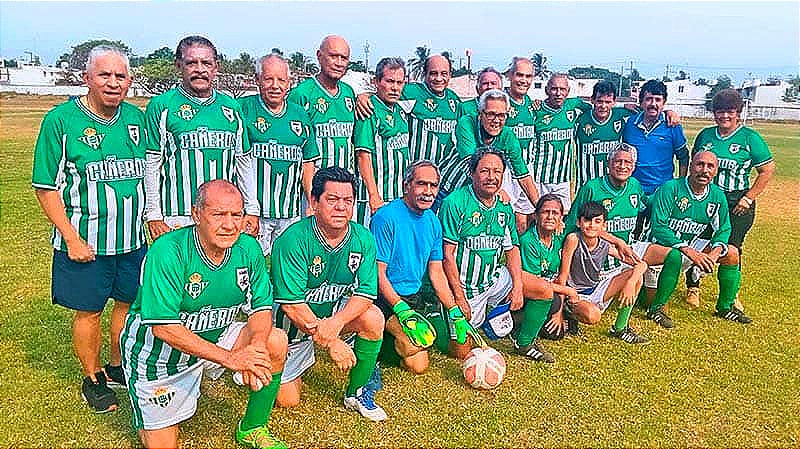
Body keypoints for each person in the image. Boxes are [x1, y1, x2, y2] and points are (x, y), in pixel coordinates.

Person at [121, 180, 289, 449]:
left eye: (236, 215)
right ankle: (149, 410)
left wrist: (255, 350)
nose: (230, 224)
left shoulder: (248, 249)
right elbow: (164, 328)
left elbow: (261, 308)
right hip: (159, 355)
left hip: (215, 337)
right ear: (196, 214)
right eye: (219, 214)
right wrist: (231, 359)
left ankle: (253, 427)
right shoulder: (168, 250)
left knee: (275, 342)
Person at [32, 45, 147, 413]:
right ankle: (93, 378)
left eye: (120, 76)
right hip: (86, 243)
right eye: (104, 75)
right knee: (89, 311)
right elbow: (45, 186)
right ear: (87, 78)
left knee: (126, 307)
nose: (114, 83)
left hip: (131, 240)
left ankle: (117, 366)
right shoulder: (61, 120)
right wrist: (70, 236)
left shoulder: (136, 118)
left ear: (129, 80)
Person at [270, 167, 387, 421]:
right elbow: (292, 305)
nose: (341, 207)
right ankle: (262, 355)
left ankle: (356, 393)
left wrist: (335, 324)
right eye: (332, 200)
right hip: (290, 328)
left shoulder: (363, 238)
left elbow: (366, 293)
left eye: (347, 201)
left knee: (374, 318)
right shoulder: (293, 239)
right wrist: (332, 342)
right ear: (314, 201)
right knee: (288, 401)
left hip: (330, 319)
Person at [370, 160, 479, 373]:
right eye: (422, 184)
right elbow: (378, 273)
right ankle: (368, 334)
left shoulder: (433, 222)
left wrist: (454, 309)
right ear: (406, 185)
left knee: (418, 365)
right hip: (383, 299)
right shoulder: (385, 217)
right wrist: (400, 308)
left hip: (414, 297)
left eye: (433, 185)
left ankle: (382, 342)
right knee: (414, 348)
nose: (428, 192)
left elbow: (436, 272)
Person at [144, 35, 254, 241]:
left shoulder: (231, 107)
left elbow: (243, 162)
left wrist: (252, 208)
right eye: (191, 63)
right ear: (179, 65)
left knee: (219, 271)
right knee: (179, 272)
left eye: (206, 63)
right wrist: (153, 214)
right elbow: (151, 164)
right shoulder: (162, 105)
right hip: (178, 213)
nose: (200, 69)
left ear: (216, 67)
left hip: (222, 214)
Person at [566, 143, 684, 329]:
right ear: (609, 164)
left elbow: (648, 205)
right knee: (592, 314)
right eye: (617, 161)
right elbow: (575, 224)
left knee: (672, 255)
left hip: (627, 249)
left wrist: (669, 191)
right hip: (604, 253)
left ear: (634, 166)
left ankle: (657, 308)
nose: (622, 166)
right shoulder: (592, 188)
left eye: (627, 162)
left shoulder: (634, 185)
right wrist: (615, 240)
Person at [685, 89, 775, 307]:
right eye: (720, 111)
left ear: (738, 113)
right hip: (706, 198)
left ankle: (731, 293)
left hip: (737, 201)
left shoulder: (749, 137)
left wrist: (749, 198)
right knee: (698, 242)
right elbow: (694, 164)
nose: (724, 116)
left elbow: (767, 169)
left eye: (730, 112)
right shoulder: (706, 135)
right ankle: (693, 286)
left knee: (732, 247)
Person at [439, 148, 524, 359]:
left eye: (497, 171)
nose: (492, 177)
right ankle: (438, 318)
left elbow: (512, 249)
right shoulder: (455, 203)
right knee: (460, 353)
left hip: (492, 278)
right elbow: (447, 255)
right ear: (472, 172)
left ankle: (523, 340)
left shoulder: (504, 207)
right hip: (465, 287)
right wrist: (458, 298)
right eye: (485, 171)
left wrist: (519, 287)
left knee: (542, 290)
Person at [647, 151, 751, 324]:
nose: (704, 170)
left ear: (716, 171)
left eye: (710, 166)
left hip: (690, 249)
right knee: (647, 301)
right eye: (700, 164)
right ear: (690, 167)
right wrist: (690, 252)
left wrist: (715, 252)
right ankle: (656, 308)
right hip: (660, 252)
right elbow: (659, 227)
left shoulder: (717, 195)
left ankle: (725, 307)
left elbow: (723, 228)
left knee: (731, 253)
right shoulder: (670, 188)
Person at [238, 54, 319, 254]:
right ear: (257, 80)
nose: (275, 85)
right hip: (254, 211)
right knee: (250, 262)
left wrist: (311, 203)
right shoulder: (243, 108)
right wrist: (248, 209)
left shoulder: (300, 114)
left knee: (286, 263)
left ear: (289, 83)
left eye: (281, 80)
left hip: (290, 211)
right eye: (268, 79)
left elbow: (308, 164)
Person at [440, 89, 539, 235]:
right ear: (480, 114)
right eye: (491, 114)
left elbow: (523, 175)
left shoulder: (507, 135)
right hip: (448, 190)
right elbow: (471, 163)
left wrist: (542, 207)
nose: (496, 120)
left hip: (476, 195)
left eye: (501, 115)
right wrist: (498, 190)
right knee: (440, 241)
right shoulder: (466, 123)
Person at [559, 202, 650, 344]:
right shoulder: (574, 239)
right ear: (578, 222)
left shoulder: (604, 244)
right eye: (587, 220)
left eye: (597, 221)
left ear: (604, 226)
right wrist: (560, 305)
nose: (591, 225)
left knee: (636, 277)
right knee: (593, 316)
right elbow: (563, 276)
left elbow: (641, 264)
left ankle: (620, 328)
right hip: (574, 293)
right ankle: (569, 313)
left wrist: (631, 283)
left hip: (596, 288)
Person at [515, 195, 580, 362]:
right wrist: (566, 291)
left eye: (555, 213)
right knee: (555, 307)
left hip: (551, 290)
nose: (550, 217)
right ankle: (518, 325)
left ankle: (543, 319)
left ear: (561, 218)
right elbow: (536, 284)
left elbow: (590, 226)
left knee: (558, 330)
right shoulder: (528, 241)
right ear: (535, 216)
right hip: (528, 293)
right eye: (545, 212)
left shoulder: (558, 237)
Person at [623, 79, 689, 239]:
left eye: (658, 100)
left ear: (664, 103)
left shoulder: (672, 126)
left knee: (658, 236)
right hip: (634, 190)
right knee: (632, 235)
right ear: (641, 102)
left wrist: (680, 184)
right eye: (649, 99)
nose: (653, 104)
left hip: (662, 191)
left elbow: (684, 157)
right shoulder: (630, 123)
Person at [353, 57, 410, 226]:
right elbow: (363, 155)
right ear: (376, 82)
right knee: (371, 246)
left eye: (399, 82)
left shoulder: (401, 110)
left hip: (398, 197)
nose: (394, 87)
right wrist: (373, 195)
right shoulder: (369, 110)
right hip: (374, 198)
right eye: (389, 81)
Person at [287, 35, 355, 173]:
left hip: (345, 185)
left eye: (344, 58)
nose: (339, 63)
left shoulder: (349, 92)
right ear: (319, 56)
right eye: (333, 56)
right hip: (314, 185)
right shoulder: (302, 93)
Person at [529, 73, 593, 212]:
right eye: (554, 89)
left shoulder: (573, 105)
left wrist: (624, 108)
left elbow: (600, 108)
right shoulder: (536, 110)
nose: (558, 93)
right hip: (539, 178)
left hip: (563, 179)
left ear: (568, 91)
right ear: (546, 90)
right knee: (538, 215)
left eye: (562, 89)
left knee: (562, 216)